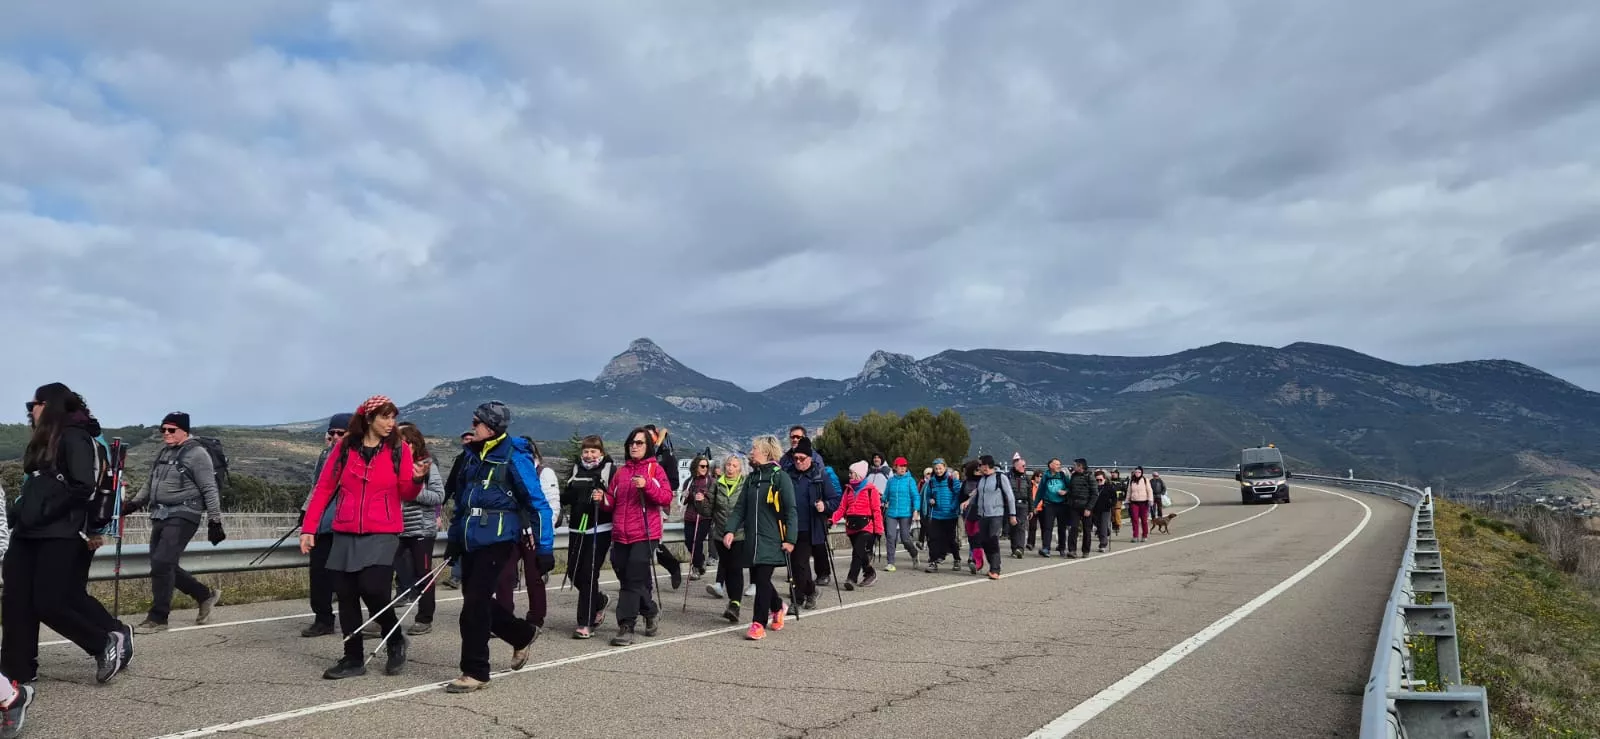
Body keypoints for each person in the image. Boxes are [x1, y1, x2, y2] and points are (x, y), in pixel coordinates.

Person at [3, 383, 130, 687]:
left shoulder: (75, 437)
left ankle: (102, 644)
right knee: (15, 601)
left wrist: (45, 515)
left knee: (50, 602)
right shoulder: (41, 440)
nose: (28, 412)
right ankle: (16, 671)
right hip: (26, 533)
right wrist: (16, 517)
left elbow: (82, 487)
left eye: (30, 405)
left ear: (47, 405)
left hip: (59, 533)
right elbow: (32, 491)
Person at [299, 395, 426, 680]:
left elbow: (407, 493)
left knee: (374, 589)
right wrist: (309, 528)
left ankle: (395, 640)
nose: (391, 423)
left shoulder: (400, 449)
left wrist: (416, 479)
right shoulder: (345, 448)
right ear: (369, 419)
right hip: (344, 529)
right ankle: (352, 658)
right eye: (385, 417)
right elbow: (323, 489)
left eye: (393, 417)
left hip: (383, 530)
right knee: (345, 594)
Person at [438, 402, 548, 692]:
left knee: (473, 606)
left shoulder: (514, 457)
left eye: (476, 422)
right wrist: (454, 539)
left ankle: (476, 671)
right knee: (479, 601)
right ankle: (522, 634)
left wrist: (544, 548)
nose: (472, 426)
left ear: (490, 426)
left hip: (499, 539)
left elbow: (538, 505)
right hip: (471, 539)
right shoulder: (471, 456)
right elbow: (463, 503)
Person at [123, 411, 225, 634]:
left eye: (171, 430)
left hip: (185, 513)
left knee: (161, 562)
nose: (166, 434)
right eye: (163, 430)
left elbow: (209, 488)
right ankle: (204, 595)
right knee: (162, 564)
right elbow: (151, 483)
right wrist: (132, 505)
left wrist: (215, 521)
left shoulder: (198, 454)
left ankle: (158, 618)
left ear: (184, 430)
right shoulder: (164, 452)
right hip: (160, 514)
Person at [602, 427, 674, 647]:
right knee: (626, 575)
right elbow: (611, 502)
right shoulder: (622, 472)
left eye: (639, 443)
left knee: (633, 576)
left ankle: (626, 625)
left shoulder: (655, 470)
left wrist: (648, 485)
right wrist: (601, 499)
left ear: (648, 446)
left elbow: (666, 497)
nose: (634, 446)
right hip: (621, 534)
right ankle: (650, 610)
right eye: (631, 442)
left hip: (645, 532)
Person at [722, 435, 796, 641]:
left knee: (762, 579)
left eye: (754, 448)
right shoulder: (752, 479)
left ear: (766, 452)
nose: (751, 451)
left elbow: (791, 510)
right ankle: (777, 606)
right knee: (759, 579)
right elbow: (740, 509)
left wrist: (790, 539)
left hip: (772, 539)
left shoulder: (780, 477)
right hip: (752, 539)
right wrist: (730, 530)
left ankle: (758, 623)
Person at [494, 437, 559, 632]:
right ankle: (505, 618)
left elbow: (549, 504)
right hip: (512, 529)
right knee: (504, 575)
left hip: (533, 530)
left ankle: (536, 617)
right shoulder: (508, 468)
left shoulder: (542, 472)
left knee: (534, 575)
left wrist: (546, 535)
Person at [300, 413, 353, 637]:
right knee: (318, 573)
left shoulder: (355, 455)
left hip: (344, 524)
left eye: (340, 433)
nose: (335, 437)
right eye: (331, 433)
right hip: (322, 524)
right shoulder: (325, 455)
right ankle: (323, 619)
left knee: (345, 578)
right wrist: (306, 515)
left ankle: (354, 620)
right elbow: (317, 488)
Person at [394, 423, 447, 635]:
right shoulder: (392, 465)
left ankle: (424, 618)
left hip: (421, 531)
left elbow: (438, 496)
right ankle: (380, 619)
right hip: (396, 528)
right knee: (387, 571)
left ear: (414, 444)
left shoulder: (427, 467)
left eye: (403, 443)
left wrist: (412, 490)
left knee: (423, 573)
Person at [562, 436, 614, 639]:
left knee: (589, 573)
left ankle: (585, 623)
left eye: (594, 451)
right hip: (577, 528)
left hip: (599, 528)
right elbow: (567, 495)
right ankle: (599, 601)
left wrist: (603, 498)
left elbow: (615, 498)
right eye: (586, 451)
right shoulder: (576, 470)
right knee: (573, 572)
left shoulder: (610, 470)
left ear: (601, 452)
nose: (589, 455)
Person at [783, 439, 839, 609]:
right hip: (790, 527)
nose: (798, 462)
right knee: (795, 565)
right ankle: (811, 591)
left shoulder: (819, 476)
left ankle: (797, 600)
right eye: (796, 458)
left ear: (809, 458)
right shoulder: (787, 474)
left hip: (811, 526)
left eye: (801, 458)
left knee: (800, 563)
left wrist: (825, 506)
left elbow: (835, 499)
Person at [699, 454, 745, 621]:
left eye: (734, 465)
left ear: (740, 468)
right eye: (728, 465)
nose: (730, 468)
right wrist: (700, 502)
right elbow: (707, 511)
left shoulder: (745, 485)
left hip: (740, 535)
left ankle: (735, 604)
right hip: (719, 535)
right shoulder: (717, 485)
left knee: (735, 568)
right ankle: (733, 602)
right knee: (726, 567)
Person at [643, 425, 685, 590]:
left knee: (653, 542)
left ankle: (672, 567)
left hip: (659, 503)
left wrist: (658, 484)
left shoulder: (667, 457)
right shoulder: (642, 456)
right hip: (641, 503)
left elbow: (674, 482)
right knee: (644, 543)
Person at [831, 461, 884, 589]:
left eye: (852, 473)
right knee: (861, 553)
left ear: (859, 475)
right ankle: (870, 573)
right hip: (852, 526)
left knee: (857, 552)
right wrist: (831, 520)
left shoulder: (871, 490)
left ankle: (851, 578)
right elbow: (842, 508)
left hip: (867, 526)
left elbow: (877, 511)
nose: (849, 475)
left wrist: (878, 530)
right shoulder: (848, 490)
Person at [963, 455, 1018, 579]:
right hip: (982, 515)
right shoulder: (982, 479)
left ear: (986, 466)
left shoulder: (1000, 477)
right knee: (984, 541)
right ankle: (991, 564)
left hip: (996, 514)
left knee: (993, 540)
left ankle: (995, 569)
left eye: (980, 465)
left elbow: (1010, 496)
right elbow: (977, 493)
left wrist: (1012, 515)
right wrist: (968, 501)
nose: (979, 468)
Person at [440, 430, 474, 591]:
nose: (467, 441)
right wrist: (441, 503)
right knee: (460, 540)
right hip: (461, 507)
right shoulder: (460, 459)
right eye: (465, 438)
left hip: (476, 509)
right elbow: (451, 482)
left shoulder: (479, 458)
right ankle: (456, 576)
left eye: (470, 438)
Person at [921, 458, 962, 572]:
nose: (938, 471)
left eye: (940, 468)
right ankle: (933, 562)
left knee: (950, 539)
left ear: (945, 467)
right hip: (936, 514)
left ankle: (957, 559)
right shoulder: (932, 481)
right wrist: (930, 501)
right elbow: (928, 495)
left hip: (950, 515)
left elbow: (957, 495)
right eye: (936, 469)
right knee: (933, 538)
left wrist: (952, 507)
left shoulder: (952, 480)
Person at [881, 457, 920, 572]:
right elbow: (885, 495)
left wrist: (916, 510)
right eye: (900, 466)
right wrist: (881, 498)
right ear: (895, 467)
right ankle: (890, 563)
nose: (903, 468)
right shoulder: (891, 481)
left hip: (906, 512)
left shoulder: (910, 480)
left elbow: (915, 496)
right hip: (891, 512)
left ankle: (914, 553)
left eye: (904, 466)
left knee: (905, 538)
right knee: (890, 537)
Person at [680, 455, 715, 582]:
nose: (705, 468)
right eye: (702, 466)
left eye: (706, 466)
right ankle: (700, 561)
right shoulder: (689, 481)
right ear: (696, 466)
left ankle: (696, 568)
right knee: (689, 542)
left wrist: (703, 498)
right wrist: (686, 496)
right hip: (690, 516)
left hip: (704, 517)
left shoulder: (711, 482)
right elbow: (682, 501)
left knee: (697, 541)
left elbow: (713, 500)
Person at [1063, 459, 1099, 559]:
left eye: (1075, 465)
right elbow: (1071, 489)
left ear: (1080, 466)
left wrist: (1089, 508)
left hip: (1086, 507)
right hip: (1074, 506)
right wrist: (1066, 493)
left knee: (1086, 529)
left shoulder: (1089, 477)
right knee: (1073, 528)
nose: (1073, 467)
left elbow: (1095, 494)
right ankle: (1072, 550)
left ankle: (1086, 550)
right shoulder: (1074, 476)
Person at [1036, 459, 1070, 557]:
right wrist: (1035, 505)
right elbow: (1040, 491)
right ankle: (1046, 548)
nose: (1059, 466)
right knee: (1048, 527)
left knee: (1062, 528)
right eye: (1057, 464)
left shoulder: (1063, 476)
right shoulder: (1045, 476)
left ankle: (1062, 548)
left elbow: (1070, 487)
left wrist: (1065, 492)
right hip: (1049, 504)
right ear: (1051, 465)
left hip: (1062, 504)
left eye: (1060, 464)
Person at [1006, 454, 1033, 558]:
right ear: (1016, 466)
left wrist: (1031, 509)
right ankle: (1014, 548)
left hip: (1023, 505)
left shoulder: (1026, 478)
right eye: (1023, 466)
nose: (1024, 468)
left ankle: (1020, 548)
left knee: (1021, 526)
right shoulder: (1008, 476)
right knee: (1013, 527)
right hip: (1011, 505)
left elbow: (1030, 494)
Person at [1126, 467, 1154, 543]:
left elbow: (1149, 490)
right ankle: (1135, 536)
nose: (1137, 473)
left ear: (1141, 473)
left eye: (1139, 472)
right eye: (1136, 472)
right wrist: (1127, 501)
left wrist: (1150, 500)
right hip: (1134, 502)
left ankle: (1144, 535)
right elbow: (1129, 491)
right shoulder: (1131, 481)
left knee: (1144, 520)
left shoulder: (1145, 480)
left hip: (1144, 503)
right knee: (1134, 520)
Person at [1091, 470, 1115, 554]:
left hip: (1105, 509)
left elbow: (1114, 497)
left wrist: (1111, 504)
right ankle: (1107, 531)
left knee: (1103, 526)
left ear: (1104, 479)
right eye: (1097, 480)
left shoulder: (1109, 487)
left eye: (1100, 480)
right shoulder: (1093, 487)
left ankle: (1103, 544)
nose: (1098, 482)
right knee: (1099, 526)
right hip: (1094, 509)